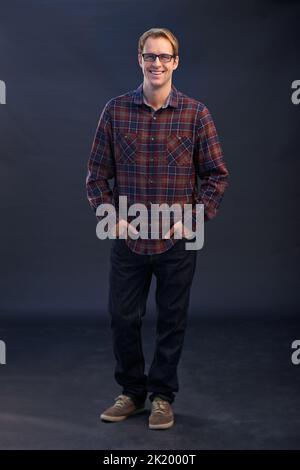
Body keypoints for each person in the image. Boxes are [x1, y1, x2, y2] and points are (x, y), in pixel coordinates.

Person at [86, 27, 229, 430]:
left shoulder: (195, 113)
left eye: (165, 57)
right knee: (122, 317)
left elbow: (216, 176)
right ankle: (131, 393)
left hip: (176, 243)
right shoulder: (115, 111)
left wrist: (194, 218)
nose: (157, 63)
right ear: (140, 60)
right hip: (129, 241)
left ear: (176, 62)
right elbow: (96, 176)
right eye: (151, 56)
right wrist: (110, 217)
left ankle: (162, 396)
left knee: (172, 319)